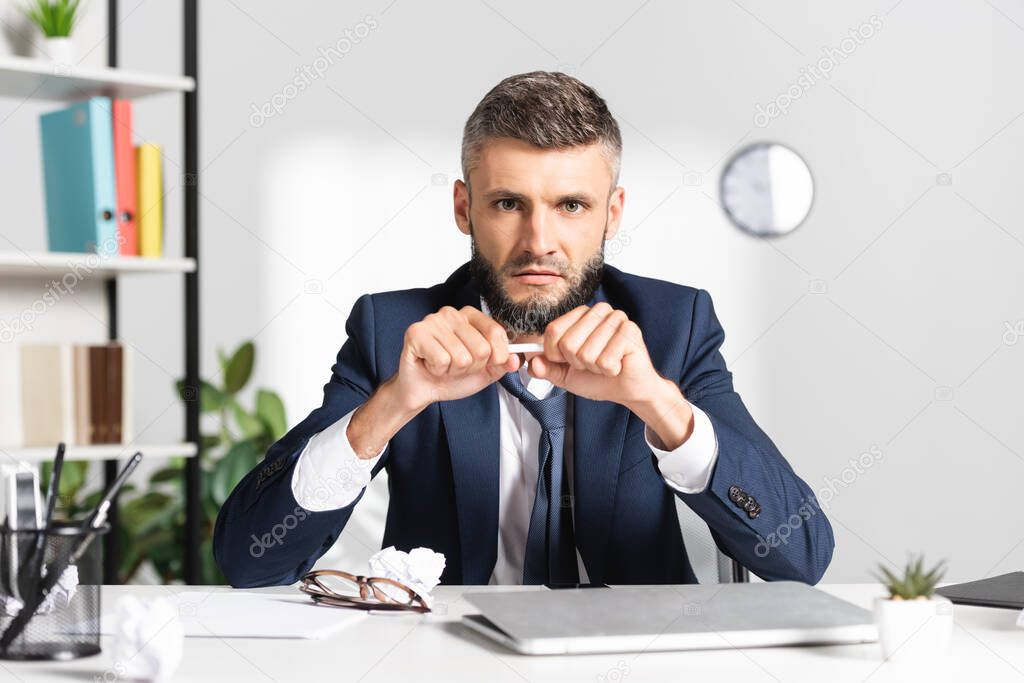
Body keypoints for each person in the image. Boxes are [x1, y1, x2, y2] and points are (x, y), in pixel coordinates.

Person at [213, 71, 834, 588]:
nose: (539, 243)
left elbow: (802, 553)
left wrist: (658, 403)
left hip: (639, 656)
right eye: (509, 203)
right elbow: (247, 560)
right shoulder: (393, 330)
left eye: (571, 205)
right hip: (448, 661)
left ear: (611, 214)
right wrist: (391, 407)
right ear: (464, 208)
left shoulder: (674, 326)